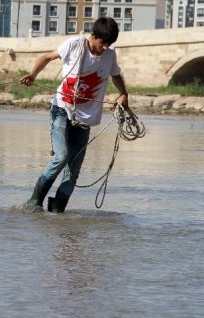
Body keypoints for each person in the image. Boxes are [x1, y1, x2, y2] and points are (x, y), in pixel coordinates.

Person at [20, 17, 129, 213]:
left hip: (84, 120)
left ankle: (57, 211)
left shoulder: (110, 56)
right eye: (102, 43)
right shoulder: (74, 45)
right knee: (60, 157)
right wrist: (32, 75)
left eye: (109, 44)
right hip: (62, 109)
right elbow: (46, 57)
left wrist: (123, 94)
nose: (105, 48)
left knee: (73, 172)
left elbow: (115, 75)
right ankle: (33, 203)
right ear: (93, 36)